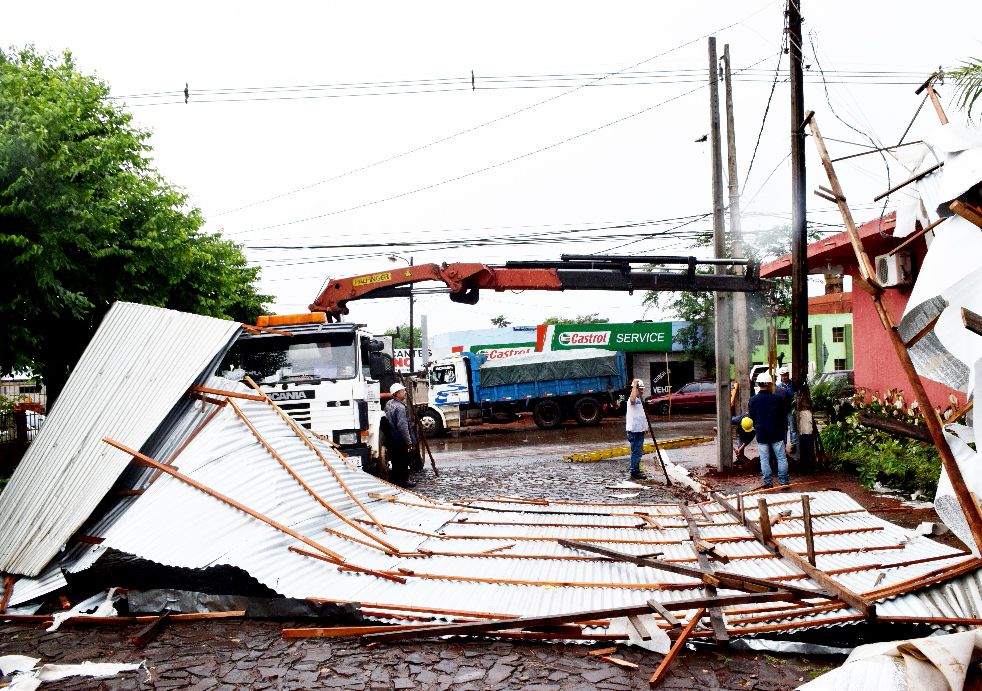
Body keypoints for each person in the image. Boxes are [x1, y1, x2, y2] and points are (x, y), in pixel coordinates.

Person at [748, 371, 790, 488]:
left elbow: (752, 417)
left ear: (759, 384)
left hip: (762, 434)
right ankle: (784, 482)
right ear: (770, 384)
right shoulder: (778, 399)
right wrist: (783, 432)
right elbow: (783, 417)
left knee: (764, 460)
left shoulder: (753, 400)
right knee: (781, 458)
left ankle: (768, 482)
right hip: (776, 433)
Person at [385, 382, 417, 488]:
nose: (404, 393)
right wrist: (409, 442)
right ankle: (404, 480)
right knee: (403, 460)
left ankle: (396, 480)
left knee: (395, 460)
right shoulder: (401, 408)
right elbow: (403, 426)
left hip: (391, 437)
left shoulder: (389, 404)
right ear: (397, 393)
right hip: (399, 438)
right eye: (403, 391)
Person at [625, 378, 647, 480]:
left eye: (642, 389)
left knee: (638, 452)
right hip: (634, 431)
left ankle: (636, 469)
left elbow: (641, 415)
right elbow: (632, 400)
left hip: (639, 430)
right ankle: (634, 472)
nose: (642, 391)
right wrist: (634, 386)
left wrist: (645, 427)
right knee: (636, 453)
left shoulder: (639, 400)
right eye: (640, 389)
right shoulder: (632, 399)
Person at [796, 386, 816, 473]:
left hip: (807, 431)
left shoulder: (807, 408)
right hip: (804, 431)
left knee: (808, 449)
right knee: (805, 450)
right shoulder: (801, 404)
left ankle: (809, 467)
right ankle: (806, 467)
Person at [777, 366, 796, 452]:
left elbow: (794, 395)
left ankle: (793, 445)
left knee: (793, 428)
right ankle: (783, 445)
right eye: (782, 376)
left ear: (788, 375)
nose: (784, 377)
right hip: (782, 411)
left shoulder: (793, 385)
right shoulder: (778, 386)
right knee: (783, 428)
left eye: (785, 375)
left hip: (791, 409)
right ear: (780, 376)